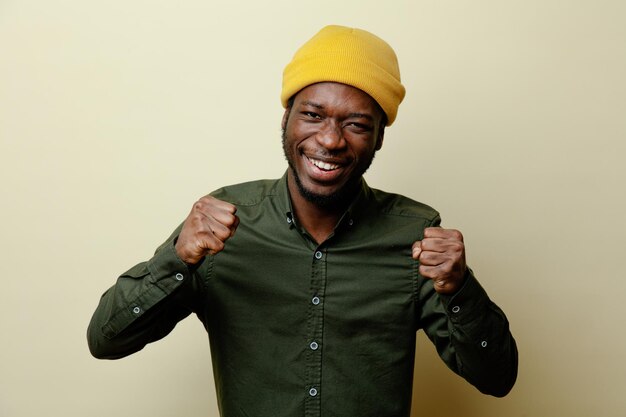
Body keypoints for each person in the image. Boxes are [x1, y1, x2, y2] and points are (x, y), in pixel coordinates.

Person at [88, 25, 518, 416]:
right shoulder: (222, 224)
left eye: (356, 124)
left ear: (379, 139)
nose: (330, 140)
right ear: (286, 119)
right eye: (312, 115)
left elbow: (496, 379)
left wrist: (460, 287)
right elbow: (107, 340)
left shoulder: (413, 233)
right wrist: (177, 261)